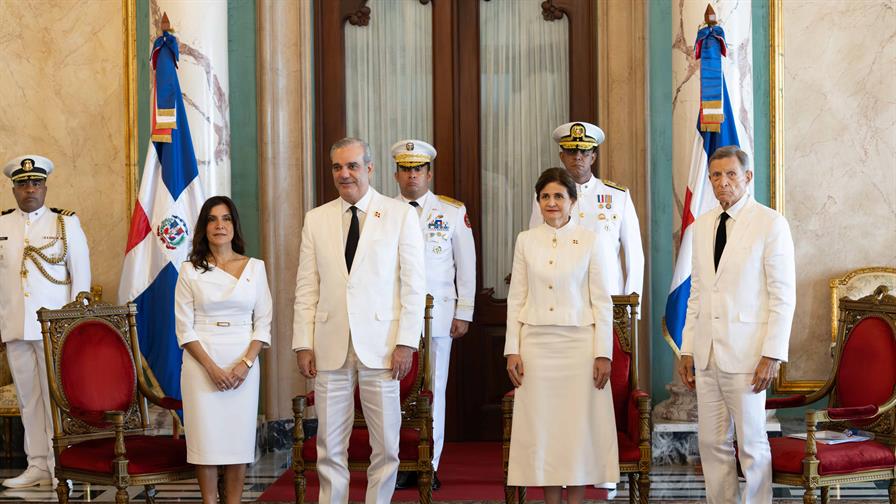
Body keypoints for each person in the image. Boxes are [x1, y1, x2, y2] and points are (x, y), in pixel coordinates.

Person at [293, 137, 426, 503]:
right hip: (329, 346)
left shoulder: (399, 215)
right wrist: (303, 342)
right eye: (337, 167)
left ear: (369, 168)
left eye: (352, 166)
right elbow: (306, 286)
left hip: (382, 347)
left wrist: (406, 343)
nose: (344, 174)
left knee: (386, 446)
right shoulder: (316, 219)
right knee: (329, 445)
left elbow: (414, 286)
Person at [678, 146, 796, 504]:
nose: (723, 182)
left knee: (752, 444)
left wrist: (772, 355)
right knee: (711, 443)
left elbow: (783, 296)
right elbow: (697, 292)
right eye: (716, 175)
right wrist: (687, 348)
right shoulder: (702, 226)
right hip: (707, 353)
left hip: (748, 356)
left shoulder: (770, 223)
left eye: (731, 174)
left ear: (747, 177)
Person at [505, 167, 618, 504]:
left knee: (576, 433)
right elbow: (516, 299)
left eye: (558, 196)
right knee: (545, 433)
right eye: (545, 197)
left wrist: (603, 353)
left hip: (579, 348)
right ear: (538, 201)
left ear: (572, 200)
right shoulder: (526, 240)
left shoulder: (590, 240)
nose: (551, 202)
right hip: (536, 349)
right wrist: (512, 349)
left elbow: (602, 302)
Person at [174, 196, 273, 504]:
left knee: (237, 443)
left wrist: (245, 364)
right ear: (204, 227)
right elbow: (184, 328)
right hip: (201, 364)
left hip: (243, 363)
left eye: (226, 218)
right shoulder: (189, 270)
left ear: (234, 225)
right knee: (206, 442)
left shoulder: (255, 268)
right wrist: (212, 369)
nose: (220, 225)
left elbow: (263, 323)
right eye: (212, 219)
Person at [390, 139, 476, 491]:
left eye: (418, 169)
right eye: (405, 169)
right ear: (396, 174)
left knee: (434, 390)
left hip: (438, 315)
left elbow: (465, 264)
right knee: (394, 392)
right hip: (393, 317)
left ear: (429, 173)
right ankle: (399, 463)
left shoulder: (451, 211)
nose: (412, 175)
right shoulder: (382, 211)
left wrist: (465, 310)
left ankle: (430, 464)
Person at [0, 155, 90, 489]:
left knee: (56, 399)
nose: (30, 189)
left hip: (54, 329)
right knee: (29, 399)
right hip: (14, 326)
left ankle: (61, 466)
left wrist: (76, 326)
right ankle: (37, 464)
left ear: (45, 187)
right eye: (23, 184)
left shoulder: (65, 223)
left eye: (36, 183)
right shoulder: (2, 225)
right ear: (14, 189)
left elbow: (81, 279)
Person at [529, 121, 644, 301]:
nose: (578, 157)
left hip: (608, 295)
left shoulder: (618, 195)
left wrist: (630, 304)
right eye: (571, 151)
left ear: (593, 157)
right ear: (562, 156)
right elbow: (536, 247)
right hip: (562, 296)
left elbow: (634, 254)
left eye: (584, 151)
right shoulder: (546, 195)